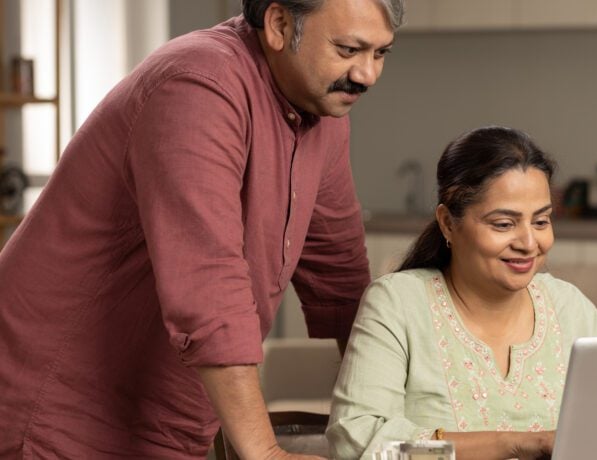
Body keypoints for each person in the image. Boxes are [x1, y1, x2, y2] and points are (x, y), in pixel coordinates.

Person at [0, 0, 403, 458]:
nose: (367, 74)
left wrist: (394, 420)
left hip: (166, 422)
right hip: (53, 414)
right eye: (349, 49)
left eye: (381, 53)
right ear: (279, 24)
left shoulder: (322, 114)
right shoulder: (198, 85)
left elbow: (340, 274)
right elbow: (209, 287)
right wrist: (263, 452)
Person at [327, 126, 597, 460]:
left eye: (541, 222)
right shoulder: (397, 303)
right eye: (504, 224)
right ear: (448, 223)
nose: (528, 244)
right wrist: (513, 443)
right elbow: (356, 443)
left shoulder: (571, 309)